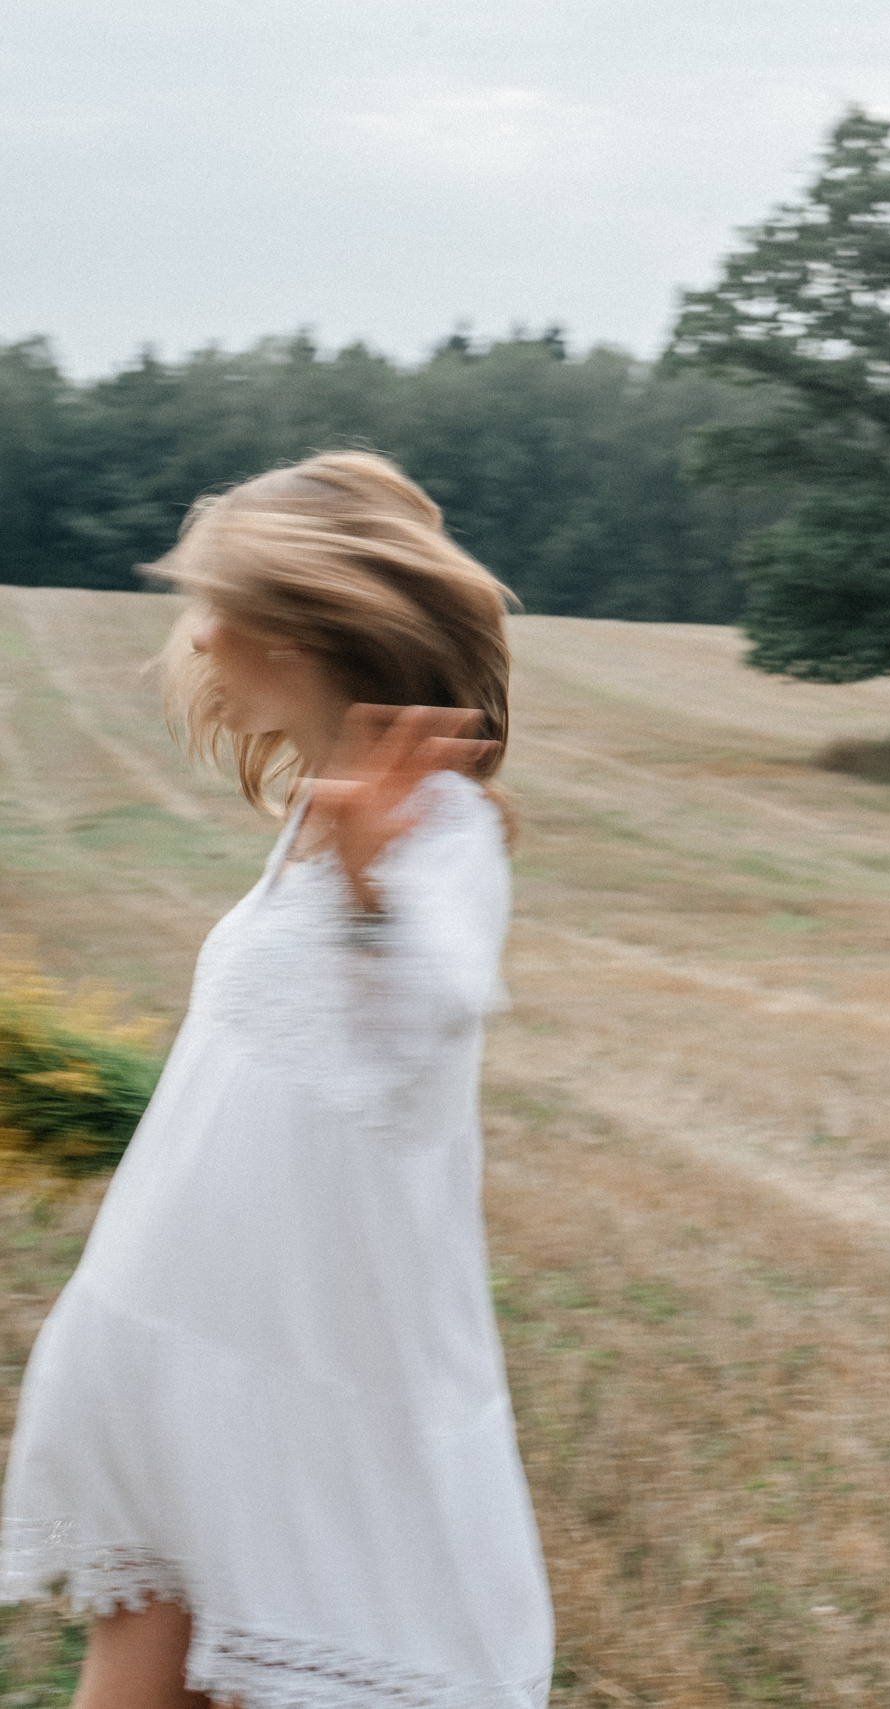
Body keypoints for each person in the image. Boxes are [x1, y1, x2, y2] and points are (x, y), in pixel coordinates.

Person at [0, 452, 552, 1709]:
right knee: (147, 1641)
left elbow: (429, 1021)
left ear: (292, 632)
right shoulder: (311, 820)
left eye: (206, 606)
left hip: (303, 1340)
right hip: (179, 1305)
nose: (192, 639)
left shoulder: (438, 824)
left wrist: (371, 890)